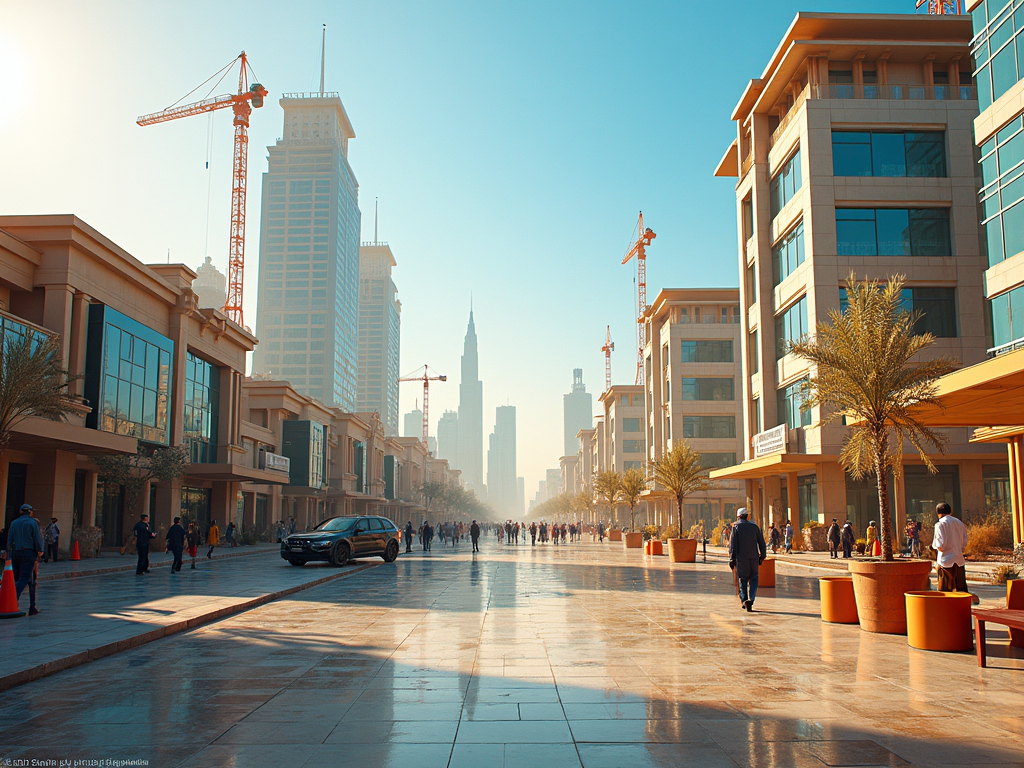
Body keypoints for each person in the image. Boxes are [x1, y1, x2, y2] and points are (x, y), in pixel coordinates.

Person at [932, 502, 975, 602]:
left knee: (945, 590)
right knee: (961, 589)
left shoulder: (940, 524)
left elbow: (940, 545)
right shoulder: (959, 523)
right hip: (959, 560)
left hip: (945, 561)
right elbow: (964, 541)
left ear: (938, 513)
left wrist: (936, 547)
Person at [728, 508, 766, 612]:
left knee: (742, 579)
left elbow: (732, 545)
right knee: (754, 578)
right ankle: (751, 599)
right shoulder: (754, 527)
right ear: (747, 516)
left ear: (738, 516)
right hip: (754, 557)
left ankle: (745, 600)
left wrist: (732, 559)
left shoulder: (736, 528)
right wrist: (762, 556)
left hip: (741, 558)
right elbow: (761, 543)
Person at [8, 504, 43, 615]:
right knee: (24, 578)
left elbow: (9, 541)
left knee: (28, 580)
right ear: (30, 512)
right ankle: (11, 601)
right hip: (28, 553)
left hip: (16, 553)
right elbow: (37, 538)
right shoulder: (32, 523)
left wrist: (9, 554)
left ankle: (32, 606)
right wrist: (40, 551)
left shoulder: (14, 523)